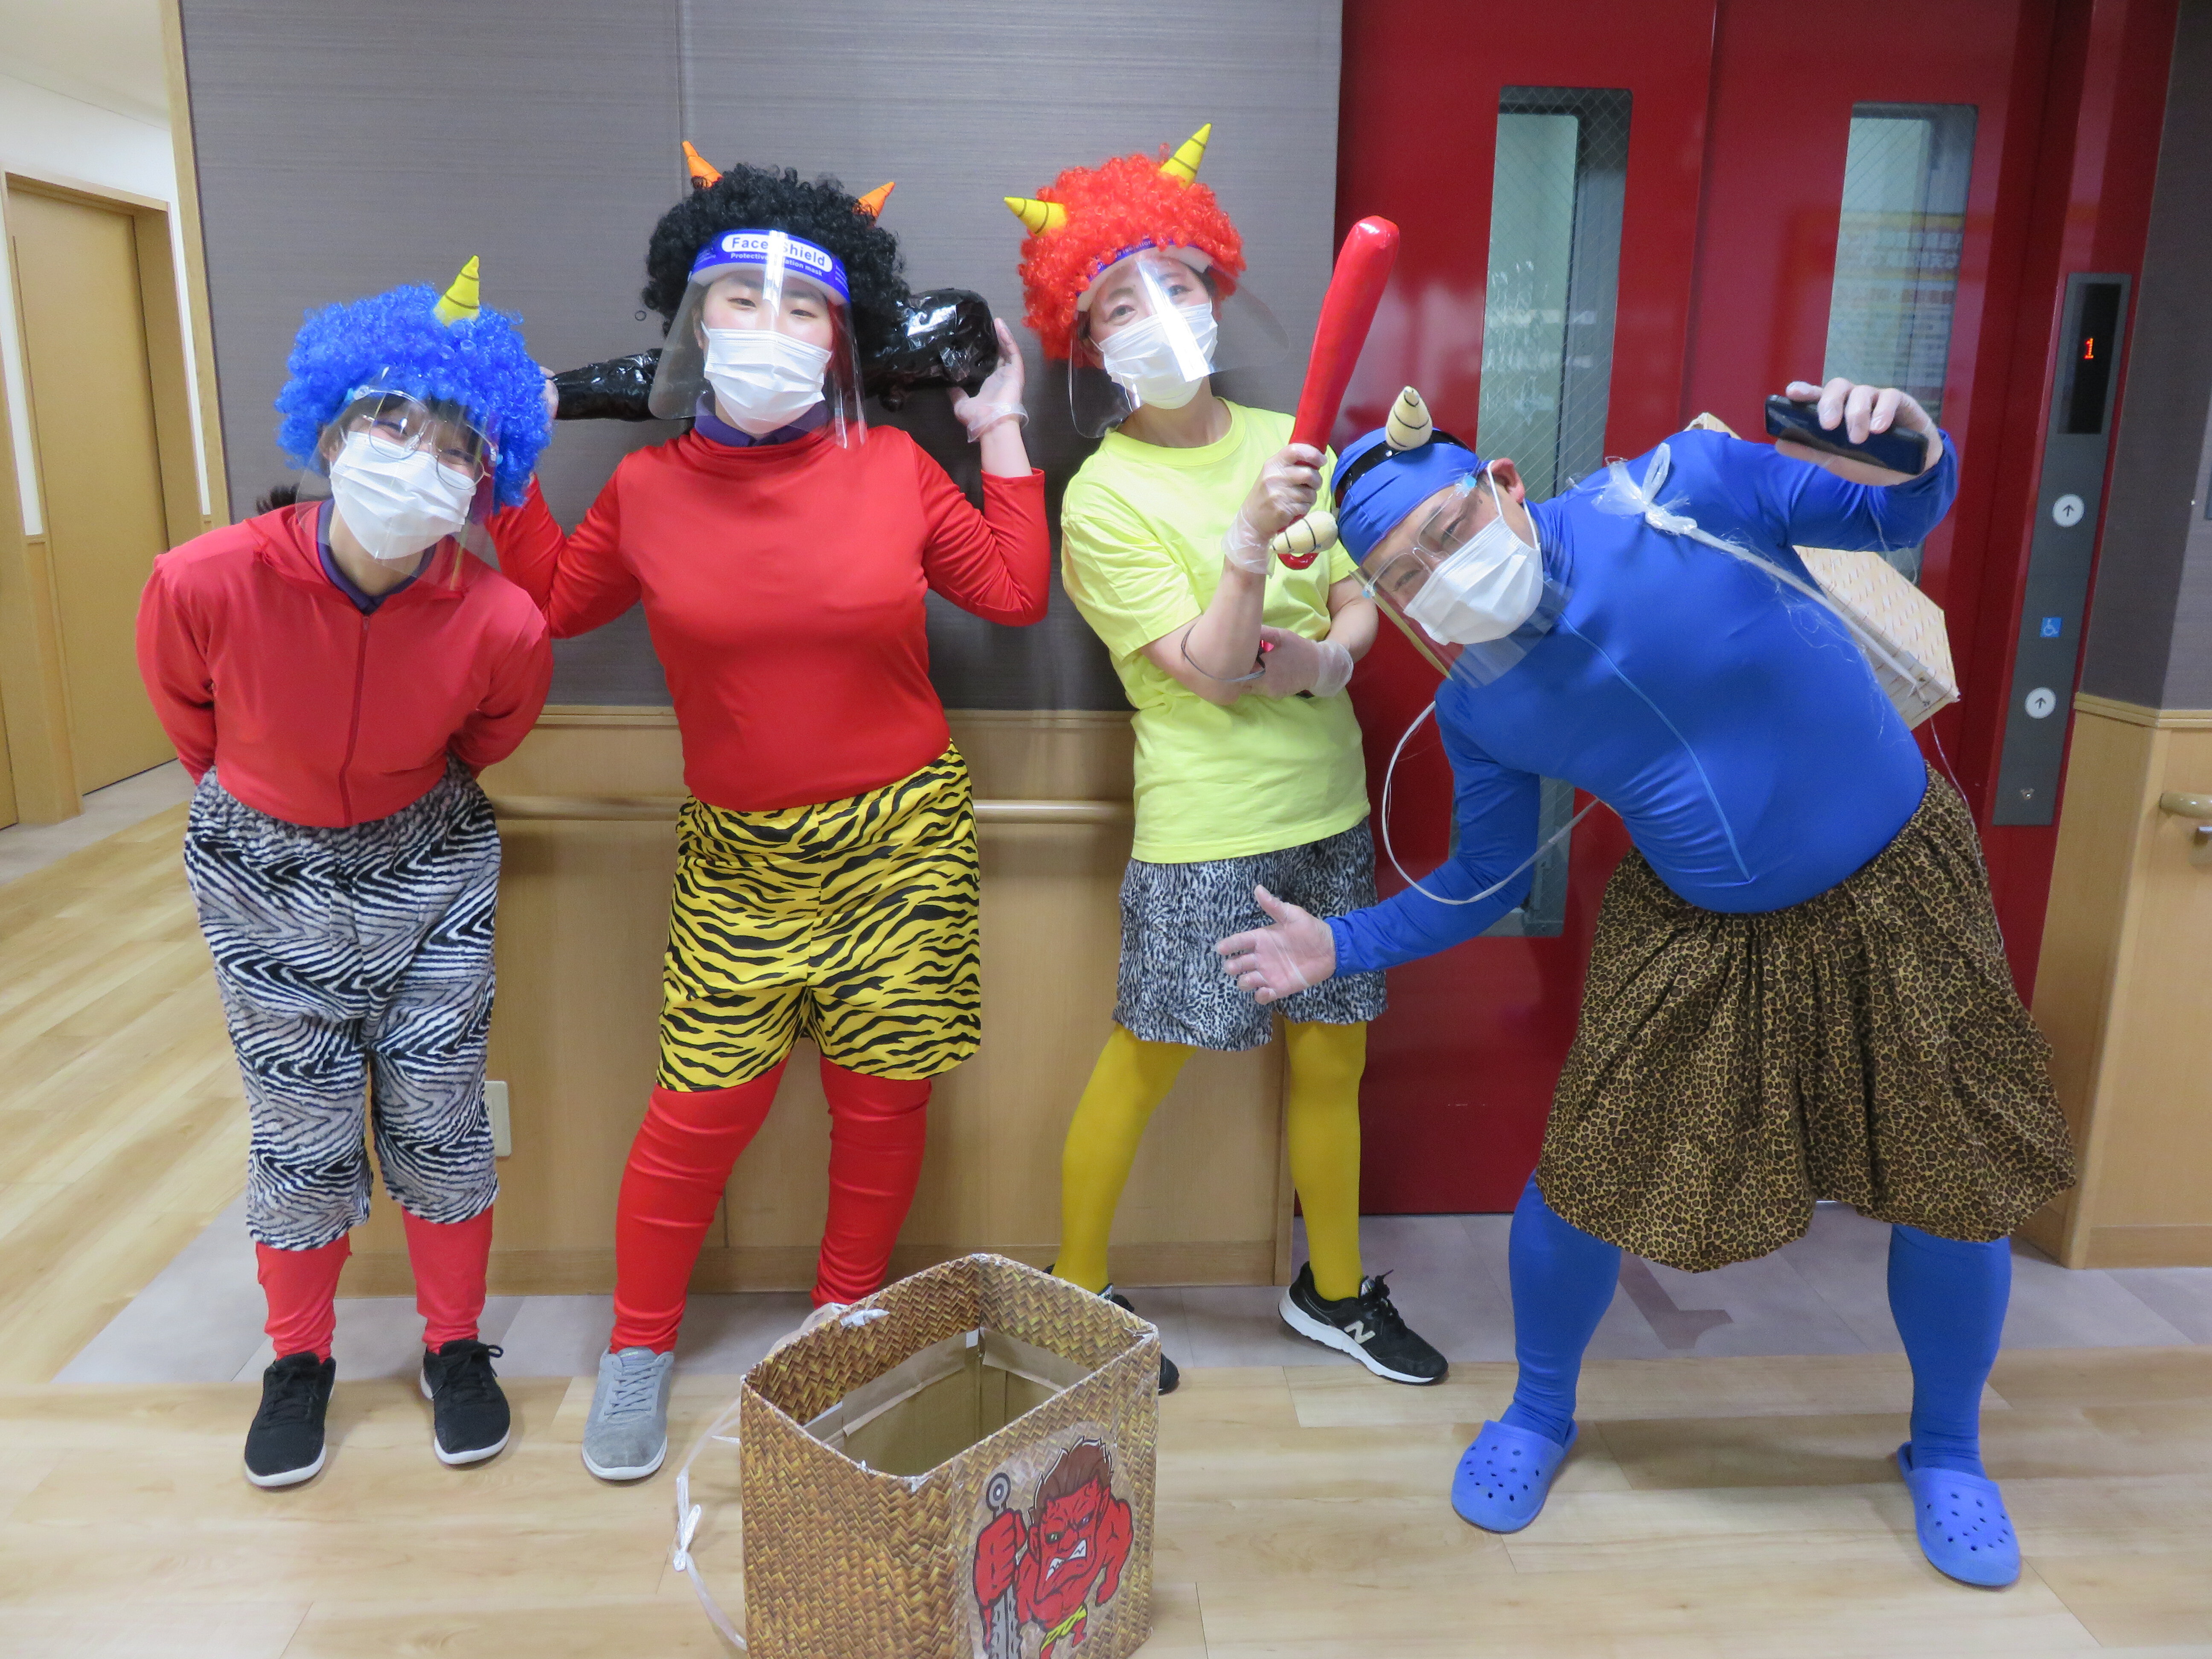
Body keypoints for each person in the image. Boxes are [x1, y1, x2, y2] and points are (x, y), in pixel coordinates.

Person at [1216, 378, 2075, 1586]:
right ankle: (1538, 1412)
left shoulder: (1688, 487)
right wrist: (1338, 946)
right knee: (1584, 1178)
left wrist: (1917, 443)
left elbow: (1893, 516)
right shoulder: (1481, 706)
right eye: (1407, 574)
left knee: (1954, 1180)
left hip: (1899, 894)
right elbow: (1483, 878)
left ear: (1503, 486)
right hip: (1695, 934)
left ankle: (1948, 1448)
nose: (1443, 573)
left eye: (1449, 530)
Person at [488, 153, 1049, 1481]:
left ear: (841, 338)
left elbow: (1015, 594)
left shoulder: (893, 469)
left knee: (882, 1105)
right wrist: (511, 457)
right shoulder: (648, 488)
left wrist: (1000, 429)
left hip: (902, 844)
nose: (772, 327)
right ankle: (638, 1347)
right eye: (743, 299)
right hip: (738, 859)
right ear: (695, 319)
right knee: (698, 1112)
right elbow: (552, 607)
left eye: (805, 309)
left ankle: (841, 1323)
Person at [1007, 126, 1447, 1392]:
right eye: (1119, 302)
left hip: (1330, 806)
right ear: (1088, 341)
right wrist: (1249, 549)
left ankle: (1336, 1291)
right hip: (1206, 828)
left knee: (1334, 1057)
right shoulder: (1102, 498)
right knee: (1148, 1056)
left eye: (1176, 283)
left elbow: (1356, 601)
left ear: (1214, 285)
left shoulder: (1290, 440)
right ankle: (1077, 1297)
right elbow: (1206, 667)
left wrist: (1331, 665)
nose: (1158, 315)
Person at [135, 261, 555, 1487]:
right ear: (332, 432)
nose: (421, 459)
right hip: (261, 871)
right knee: (301, 1125)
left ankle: (456, 1347)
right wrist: (279, 808)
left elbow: (487, 740)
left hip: (430, 867)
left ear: (485, 480)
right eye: (394, 424)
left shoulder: (504, 622)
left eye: (457, 446)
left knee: (440, 1113)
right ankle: (298, 1360)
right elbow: (193, 725)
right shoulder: (202, 580)